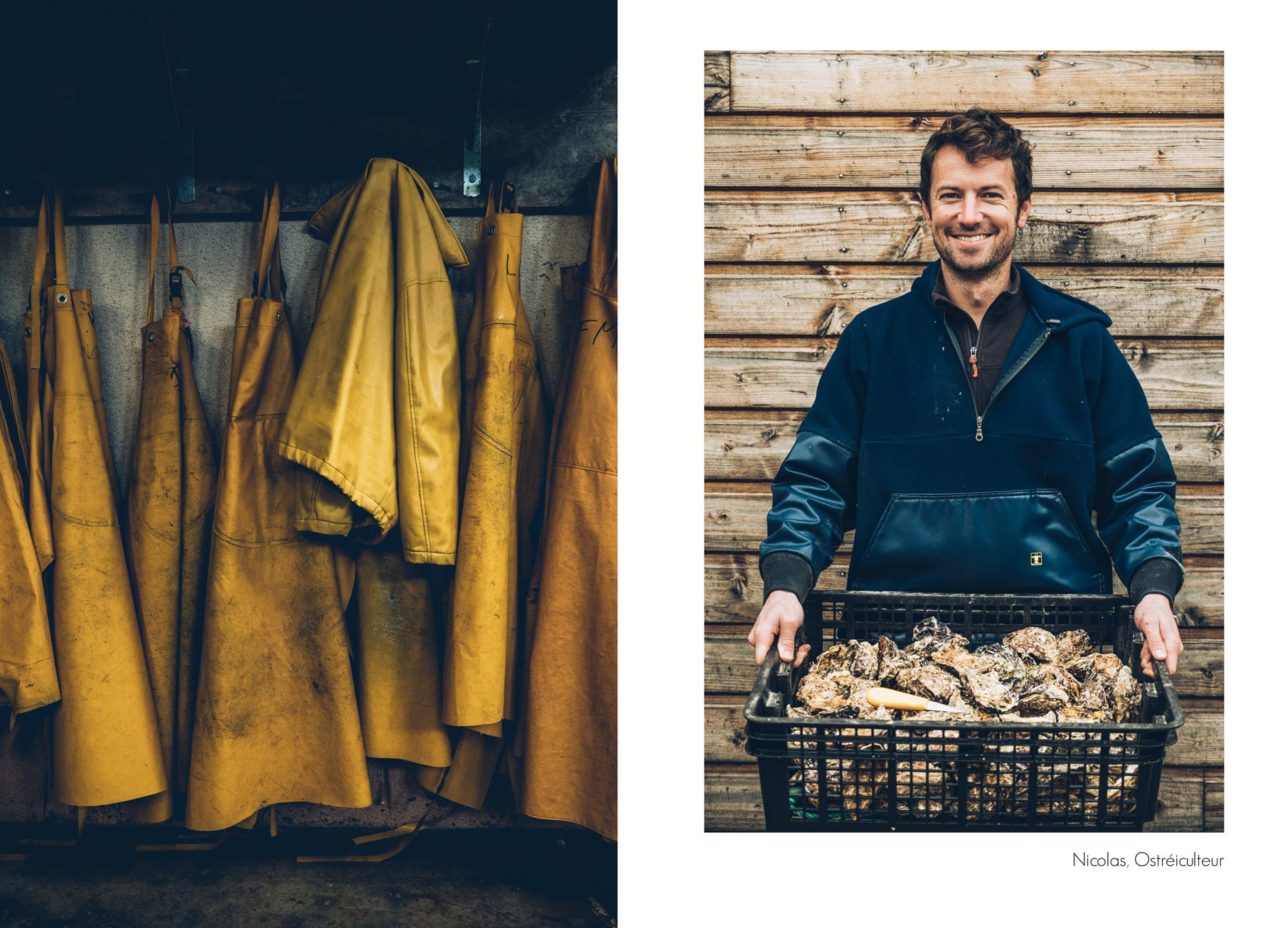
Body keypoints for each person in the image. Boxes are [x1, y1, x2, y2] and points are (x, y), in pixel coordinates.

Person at [748, 108, 1184, 679]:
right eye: (951, 195)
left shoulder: (1081, 344)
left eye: (991, 196)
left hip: (1059, 651)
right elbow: (816, 481)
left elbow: (1138, 484)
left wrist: (1153, 589)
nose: (970, 215)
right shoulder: (873, 342)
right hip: (895, 647)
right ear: (926, 209)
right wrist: (787, 583)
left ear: (1023, 210)